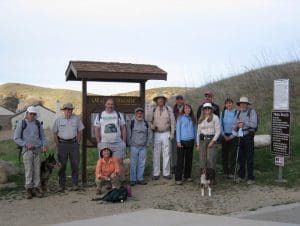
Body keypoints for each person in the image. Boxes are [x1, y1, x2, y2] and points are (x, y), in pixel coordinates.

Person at [14, 106, 48, 199]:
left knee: (37, 170)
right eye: (31, 113)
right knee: (29, 170)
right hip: (27, 151)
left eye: (34, 114)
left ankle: (36, 188)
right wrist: (25, 144)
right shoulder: (22, 123)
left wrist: (44, 145)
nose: (32, 115)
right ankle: (29, 190)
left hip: (37, 150)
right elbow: (16, 138)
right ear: (27, 113)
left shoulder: (37, 123)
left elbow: (42, 136)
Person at [52, 103, 84, 192]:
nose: (68, 111)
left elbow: (80, 130)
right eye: (66, 109)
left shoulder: (76, 118)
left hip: (74, 144)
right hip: (62, 144)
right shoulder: (58, 120)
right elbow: (54, 132)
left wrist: (78, 141)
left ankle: (75, 184)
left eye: (70, 109)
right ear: (64, 110)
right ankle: (61, 185)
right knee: (62, 165)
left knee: (75, 165)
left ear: (72, 110)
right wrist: (57, 144)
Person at [150, 94, 175, 180]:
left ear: (164, 101)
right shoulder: (153, 110)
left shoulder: (168, 109)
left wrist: (172, 134)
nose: (160, 101)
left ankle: (166, 173)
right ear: (156, 101)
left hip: (166, 133)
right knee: (156, 154)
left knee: (166, 153)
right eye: (158, 100)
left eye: (161, 100)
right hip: (156, 134)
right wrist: (152, 126)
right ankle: (156, 173)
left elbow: (173, 122)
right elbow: (149, 121)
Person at [233, 97, 258, 184]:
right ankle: (241, 176)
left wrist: (243, 123)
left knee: (249, 157)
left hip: (248, 135)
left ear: (247, 104)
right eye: (241, 103)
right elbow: (233, 125)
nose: (242, 105)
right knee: (240, 157)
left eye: (244, 103)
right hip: (239, 136)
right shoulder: (238, 112)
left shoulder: (252, 112)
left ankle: (251, 178)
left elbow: (254, 124)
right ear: (239, 104)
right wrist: (237, 126)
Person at [127, 107, 152, 186]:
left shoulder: (146, 123)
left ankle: (140, 178)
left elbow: (149, 134)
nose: (139, 114)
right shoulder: (132, 123)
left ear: (142, 114)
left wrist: (148, 143)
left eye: (141, 113)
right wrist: (130, 143)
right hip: (134, 146)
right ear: (135, 114)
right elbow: (128, 134)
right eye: (138, 113)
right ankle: (133, 179)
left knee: (142, 163)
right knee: (133, 163)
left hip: (143, 147)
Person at [175, 104, 197, 185]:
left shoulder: (193, 118)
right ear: (183, 109)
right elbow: (178, 130)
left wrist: (196, 142)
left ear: (191, 109)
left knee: (189, 160)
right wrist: (178, 141)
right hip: (182, 141)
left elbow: (195, 130)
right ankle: (178, 178)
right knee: (180, 160)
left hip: (191, 141)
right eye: (186, 108)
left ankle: (187, 176)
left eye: (189, 108)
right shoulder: (180, 117)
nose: (187, 109)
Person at [196, 103, 221, 171]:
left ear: (211, 109)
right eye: (205, 108)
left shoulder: (215, 117)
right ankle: (203, 177)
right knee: (202, 159)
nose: (207, 109)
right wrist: (197, 144)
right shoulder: (201, 119)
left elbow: (218, 131)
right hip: (202, 140)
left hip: (211, 139)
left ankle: (211, 178)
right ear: (203, 110)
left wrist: (213, 141)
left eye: (208, 108)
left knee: (211, 159)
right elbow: (198, 132)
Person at [220, 98, 238, 178]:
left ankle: (231, 172)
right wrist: (223, 135)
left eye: (230, 103)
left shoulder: (237, 113)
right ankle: (225, 171)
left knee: (233, 154)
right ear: (225, 105)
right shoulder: (223, 113)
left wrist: (231, 136)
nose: (229, 105)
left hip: (233, 136)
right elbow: (220, 125)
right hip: (224, 136)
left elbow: (237, 126)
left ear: (232, 104)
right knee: (224, 154)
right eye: (227, 103)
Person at [171, 94, 185, 174]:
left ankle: (182, 166)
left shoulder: (186, 108)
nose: (179, 101)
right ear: (176, 101)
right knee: (174, 150)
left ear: (183, 100)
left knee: (182, 150)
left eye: (180, 99)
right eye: (178, 99)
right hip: (175, 132)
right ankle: (174, 166)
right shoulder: (172, 109)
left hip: (184, 133)